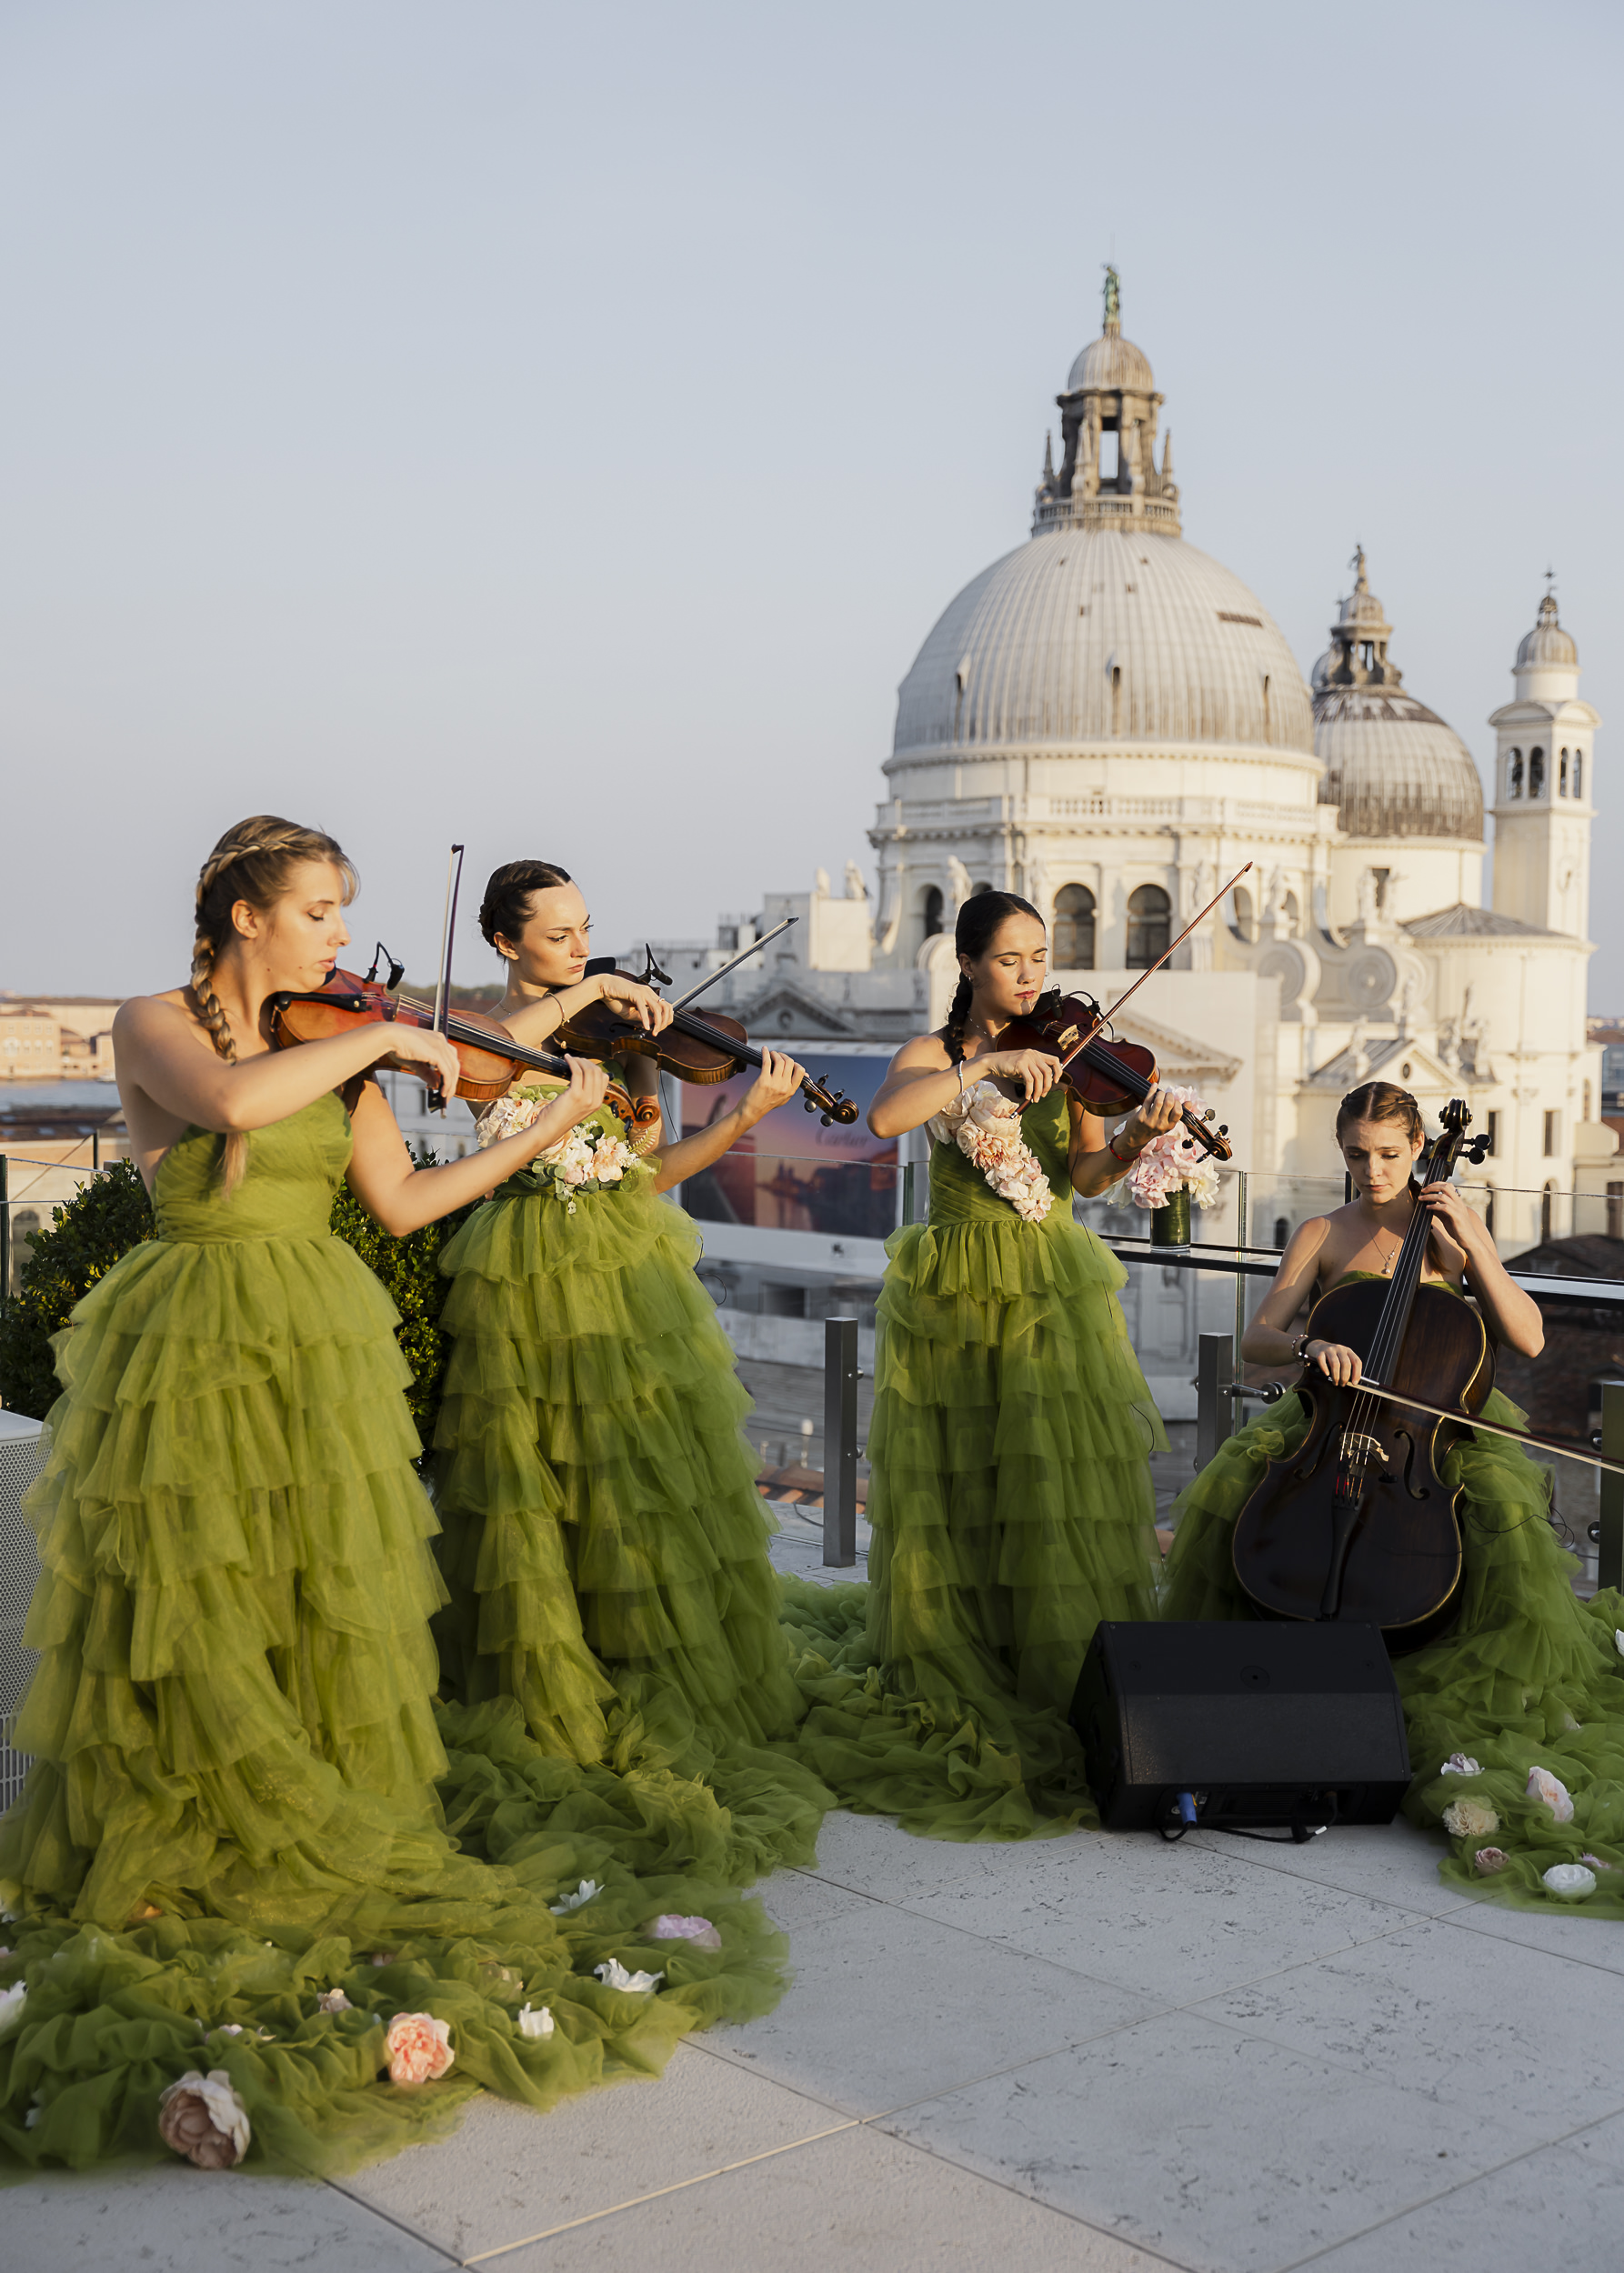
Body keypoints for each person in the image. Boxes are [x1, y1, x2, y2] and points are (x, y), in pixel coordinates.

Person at [0, 819, 788, 2178]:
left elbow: (408, 1205)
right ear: (245, 915)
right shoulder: (156, 1025)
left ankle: (303, 1807)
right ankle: (179, 1832)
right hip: (190, 1338)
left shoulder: (343, 1036)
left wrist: (541, 1118)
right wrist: (379, 1039)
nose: (335, 940)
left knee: (319, 1602)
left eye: (339, 914)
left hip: (323, 1338)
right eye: (314, 911)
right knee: (199, 1601)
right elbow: (237, 1108)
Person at [429, 859, 833, 1887]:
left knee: (640, 1495)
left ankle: (638, 1681)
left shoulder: (620, 1041)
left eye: (585, 932)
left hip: (627, 1276)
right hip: (526, 1277)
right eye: (557, 934)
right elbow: (487, 1058)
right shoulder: (489, 1029)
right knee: (544, 1498)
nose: (578, 948)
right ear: (506, 943)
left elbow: (648, 1170)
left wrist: (743, 1116)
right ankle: (555, 1701)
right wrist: (588, 993)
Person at [1162, 1080, 1624, 1915]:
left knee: (1475, 1555)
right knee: (1256, 1514)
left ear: (1419, 1150)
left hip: (1428, 1438)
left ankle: (1394, 1728)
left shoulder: (1445, 1236)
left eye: (1388, 1155)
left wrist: (1476, 1242)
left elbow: (1526, 1336)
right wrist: (1312, 1343)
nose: (1371, 1171)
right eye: (1354, 1155)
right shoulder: (1323, 1232)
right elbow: (1260, 1338)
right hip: (1330, 1423)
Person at [788, 890, 1183, 1838]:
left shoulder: (1075, 1055)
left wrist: (1135, 1135)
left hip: (1050, 1283)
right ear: (966, 963)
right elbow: (886, 1120)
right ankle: (962, 1659)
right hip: (957, 1287)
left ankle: (1054, 1676)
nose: (1031, 974)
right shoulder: (935, 1056)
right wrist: (989, 1062)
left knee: (1047, 1481)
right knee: (962, 1482)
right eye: (1011, 958)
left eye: (1039, 955)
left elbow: (1085, 1177)